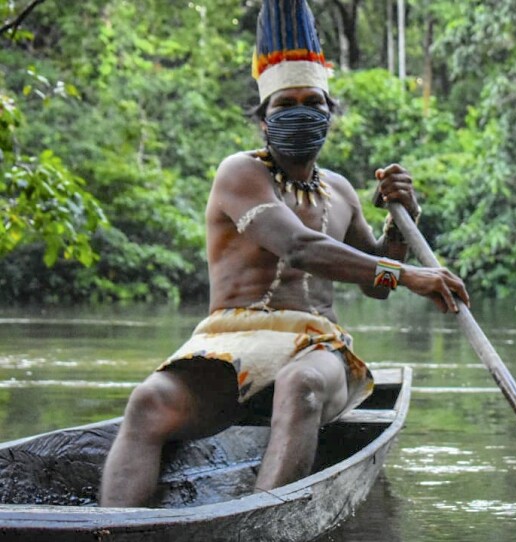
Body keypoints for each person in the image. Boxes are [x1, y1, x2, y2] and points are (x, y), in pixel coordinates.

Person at [99, 0, 469, 507]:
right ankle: (114, 530)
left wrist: (400, 223)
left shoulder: (340, 192)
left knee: (301, 388)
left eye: (313, 102)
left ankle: (259, 523)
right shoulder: (240, 174)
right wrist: (410, 275)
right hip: (231, 340)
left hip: (316, 348)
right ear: (264, 121)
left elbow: (371, 284)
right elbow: (298, 247)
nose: (301, 112)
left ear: (329, 114)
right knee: (147, 403)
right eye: (285, 104)